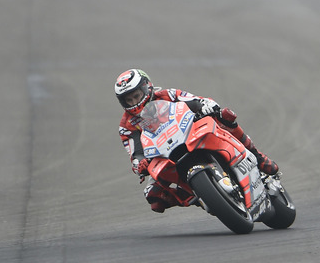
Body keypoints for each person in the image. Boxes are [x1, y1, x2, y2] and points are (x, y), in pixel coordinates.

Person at [114, 68, 279, 214]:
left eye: (136, 96)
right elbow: (135, 152)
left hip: (190, 132)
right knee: (153, 196)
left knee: (225, 117)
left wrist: (205, 106)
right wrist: (140, 164)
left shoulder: (168, 95)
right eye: (128, 100)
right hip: (163, 153)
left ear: (146, 87)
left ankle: (257, 156)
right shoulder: (126, 125)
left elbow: (195, 100)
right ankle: (201, 197)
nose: (134, 102)